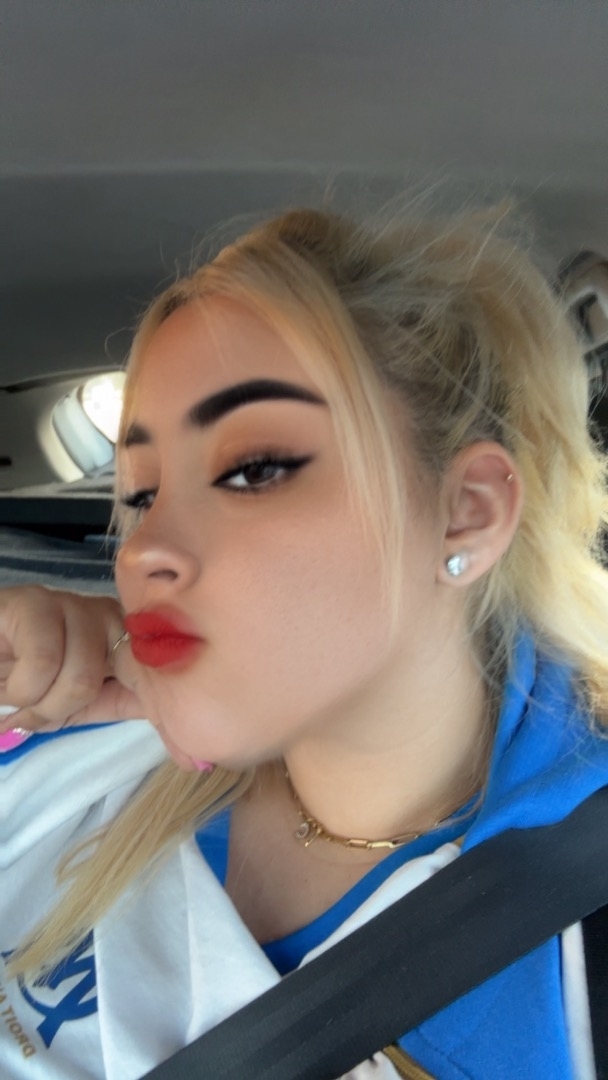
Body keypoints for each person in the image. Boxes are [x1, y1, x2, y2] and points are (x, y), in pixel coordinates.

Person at [1, 204, 608, 1080]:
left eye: (254, 469)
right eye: (140, 493)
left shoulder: (570, 942)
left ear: (465, 511)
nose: (142, 549)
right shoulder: (71, 744)